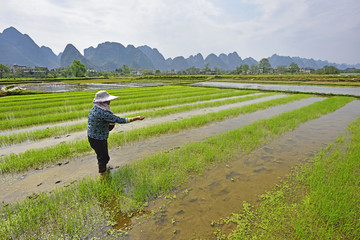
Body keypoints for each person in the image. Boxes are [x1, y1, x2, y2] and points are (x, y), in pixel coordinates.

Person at [87, 90, 145, 174]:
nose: (110, 101)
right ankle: (103, 176)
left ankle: (104, 171)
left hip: (92, 136)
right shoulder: (103, 113)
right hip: (98, 139)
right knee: (103, 158)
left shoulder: (95, 108)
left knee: (102, 156)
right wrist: (137, 118)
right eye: (108, 100)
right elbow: (120, 120)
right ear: (104, 101)